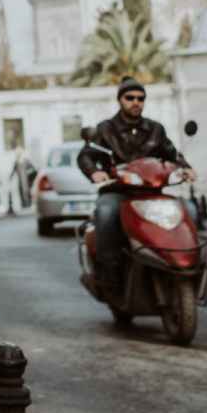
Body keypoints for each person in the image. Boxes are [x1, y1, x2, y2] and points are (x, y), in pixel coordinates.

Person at [85, 76, 192, 289]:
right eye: (130, 97)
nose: (136, 102)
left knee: (188, 210)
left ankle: (184, 264)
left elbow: (172, 154)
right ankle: (110, 273)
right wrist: (95, 172)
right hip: (118, 191)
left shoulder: (156, 129)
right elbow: (86, 155)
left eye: (140, 98)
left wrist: (185, 167)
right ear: (120, 99)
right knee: (106, 212)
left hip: (152, 192)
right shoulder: (105, 129)